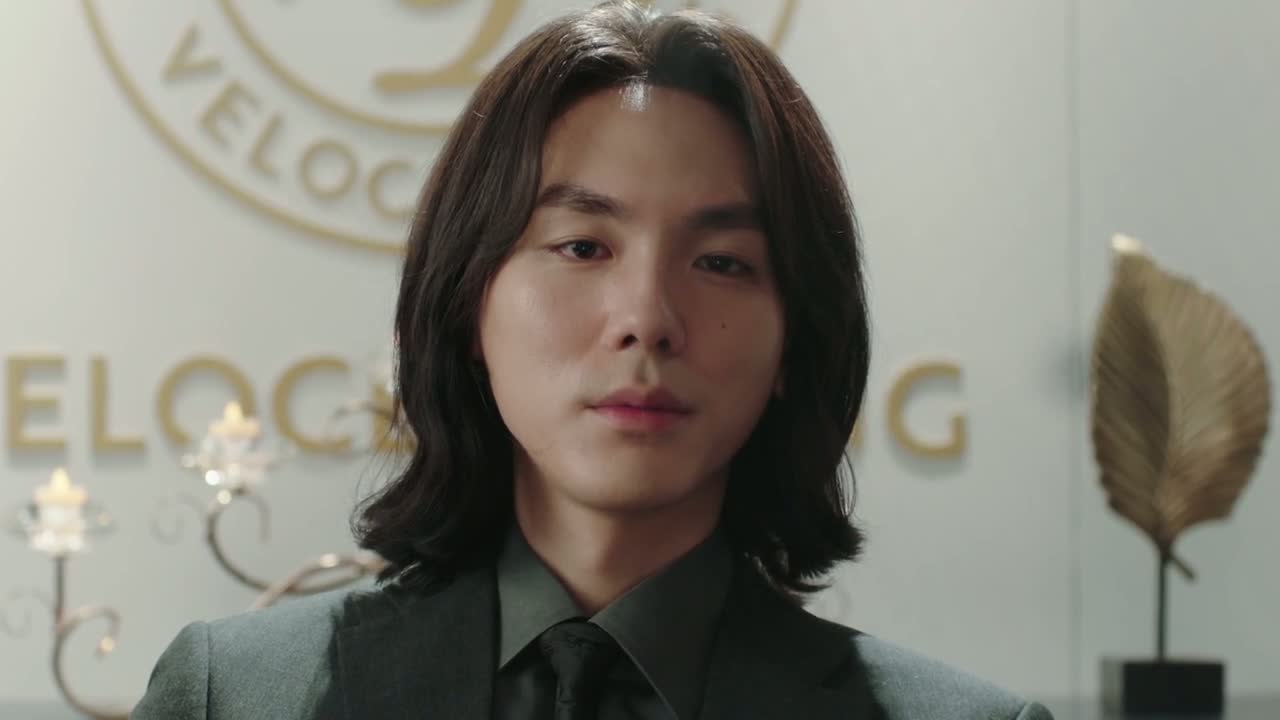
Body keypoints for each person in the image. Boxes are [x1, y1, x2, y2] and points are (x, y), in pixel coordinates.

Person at [132, 2, 1054, 718]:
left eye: (722, 262)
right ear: (468, 303)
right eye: (582, 246)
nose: (647, 319)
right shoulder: (233, 697)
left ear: (794, 339)